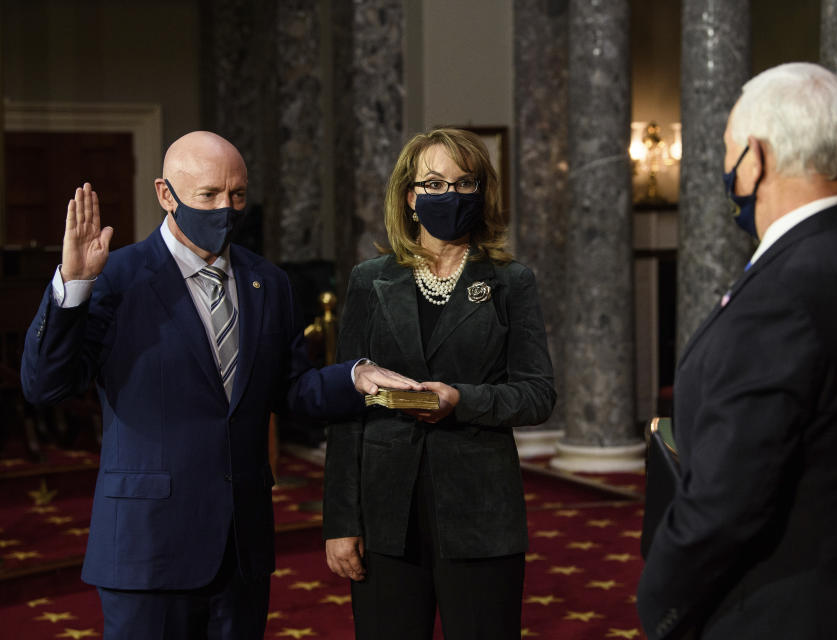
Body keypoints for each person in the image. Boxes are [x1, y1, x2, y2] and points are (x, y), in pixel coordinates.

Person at [20, 131, 420, 639]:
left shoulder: (268, 282)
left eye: (237, 195)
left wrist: (356, 377)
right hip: (149, 550)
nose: (225, 209)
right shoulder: (115, 278)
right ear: (167, 195)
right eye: (208, 196)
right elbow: (45, 385)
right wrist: (74, 287)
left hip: (241, 547)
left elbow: (291, 390)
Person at [636, 63, 837, 639]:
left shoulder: (784, 293)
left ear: (755, 157)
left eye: (725, 150)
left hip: (776, 615)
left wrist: (659, 601)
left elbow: (726, 501)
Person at [323, 128, 556, 639]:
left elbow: (538, 394)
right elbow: (347, 406)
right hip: (386, 515)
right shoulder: (370, 279)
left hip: (480, 511)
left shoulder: (510, 281)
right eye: (433, 184)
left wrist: (462, 400)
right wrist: (341, 522)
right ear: (410, 197)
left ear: (481, 192)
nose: (448, 195)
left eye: (463, 183)